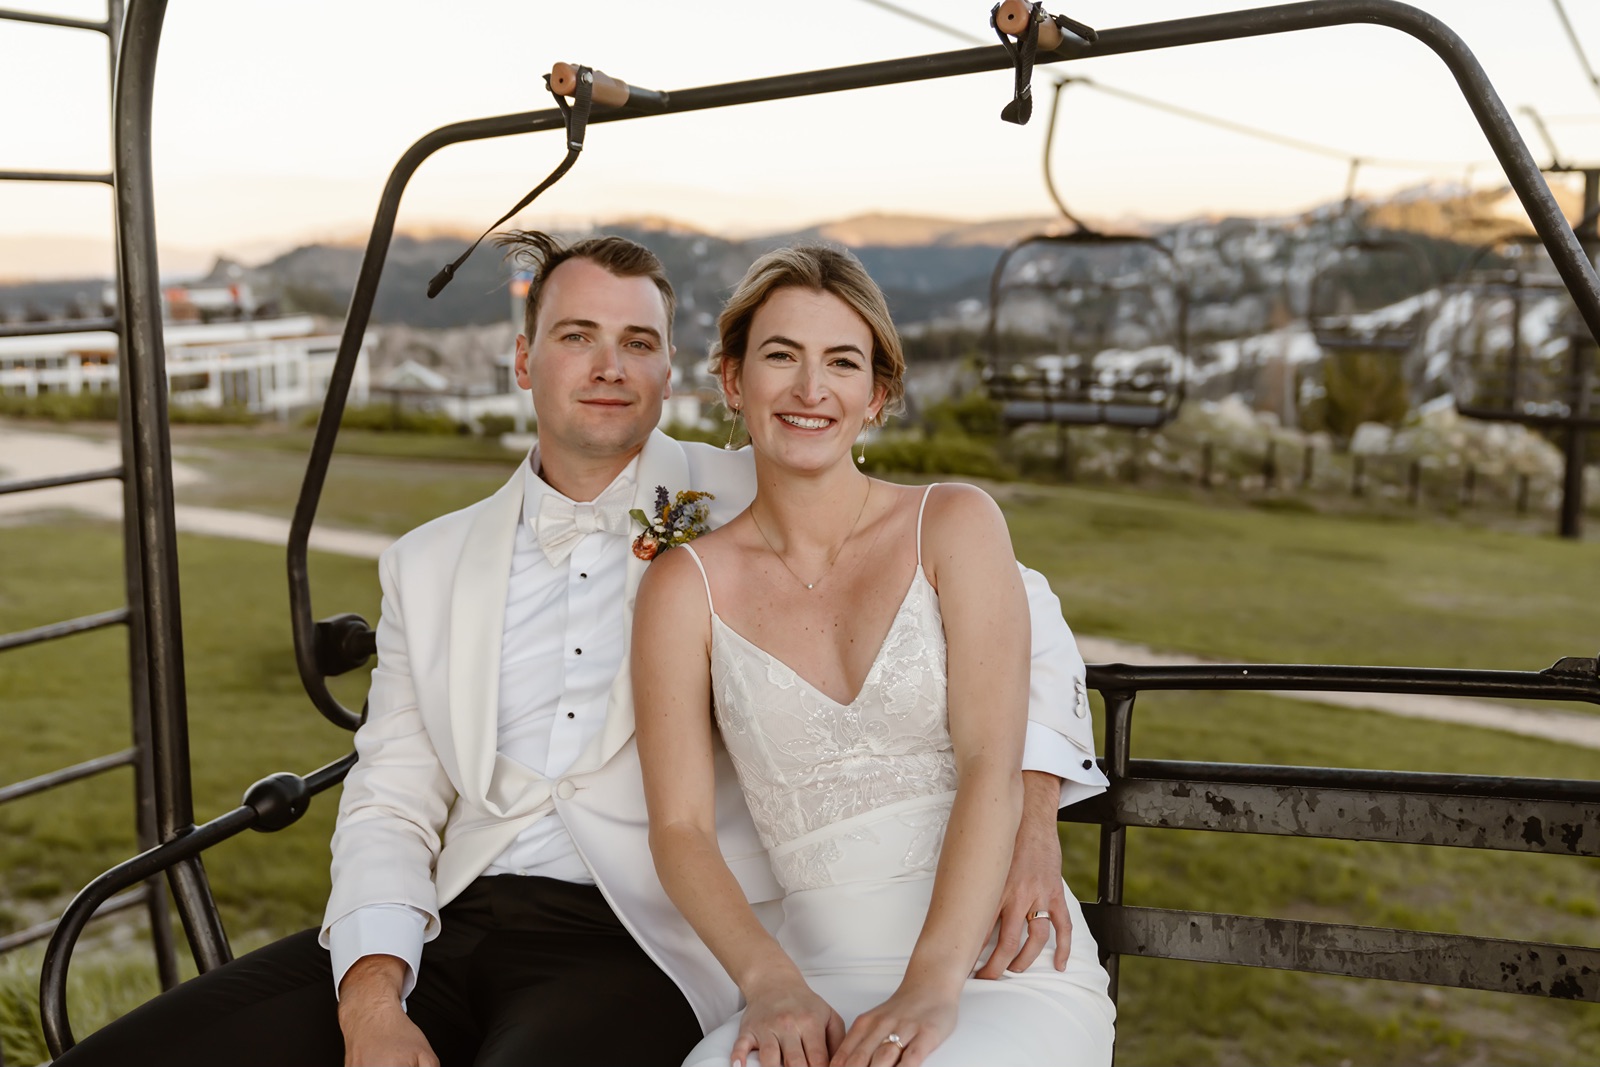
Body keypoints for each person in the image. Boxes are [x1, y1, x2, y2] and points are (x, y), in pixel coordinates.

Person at [52, 233, 1106, 1067]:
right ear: (523, 357)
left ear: (679, 370)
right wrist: (372, 991)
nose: (609, 367)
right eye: (576, 336)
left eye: (638, 341)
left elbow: (1021, 615)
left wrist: (1031, 820)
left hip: (635, 937)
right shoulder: (426, 561)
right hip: (452, 916)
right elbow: (391, 798)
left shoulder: (767, 479)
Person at [633, 245, 1116, 1067]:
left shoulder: (954, 525)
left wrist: (931, 986)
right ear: (732, 379)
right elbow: (678, 827)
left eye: (842, 362)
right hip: (811, 976)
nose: (810, 389)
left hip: (990, 967)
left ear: (878, 394)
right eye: (781, 355)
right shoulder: (684, 587)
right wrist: (770, 981)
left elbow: (991, 763)